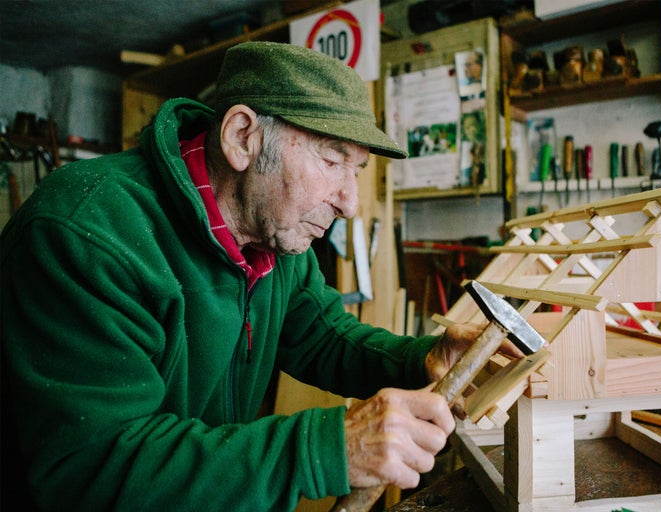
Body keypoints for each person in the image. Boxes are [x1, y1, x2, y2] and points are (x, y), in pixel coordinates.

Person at [1, 42, 518, 511]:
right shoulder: (87, 234)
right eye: (332, 159)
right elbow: (92, 468)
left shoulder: (276, 237)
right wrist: (328, 447)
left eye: (355, 169)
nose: (350, 203)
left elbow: (321, 335)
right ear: (242, 137)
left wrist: (419, 360)